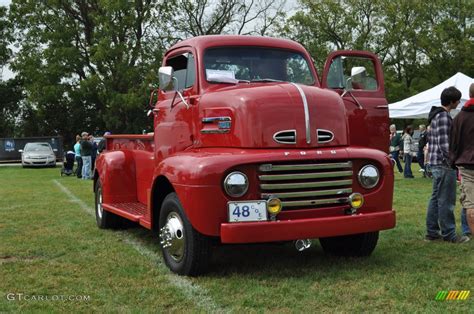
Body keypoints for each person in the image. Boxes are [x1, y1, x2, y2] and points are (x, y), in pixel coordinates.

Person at [425, 86, 468, 243]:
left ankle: (431, 232)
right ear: (452, 101)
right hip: (444, 165)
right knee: (447, 201)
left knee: (435, 199)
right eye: (457, 100)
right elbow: (445, 145)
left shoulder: (435, 116)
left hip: (435, 163)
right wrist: (453, 161)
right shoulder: (443, 117)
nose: (458, 103)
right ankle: (449, 234)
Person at [449, 83, 474, 239]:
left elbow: (454, 143)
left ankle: (469, 231)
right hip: (466, 162)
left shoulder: (459, 118)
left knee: (470, 202)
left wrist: (454, 163)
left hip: (465, 163)